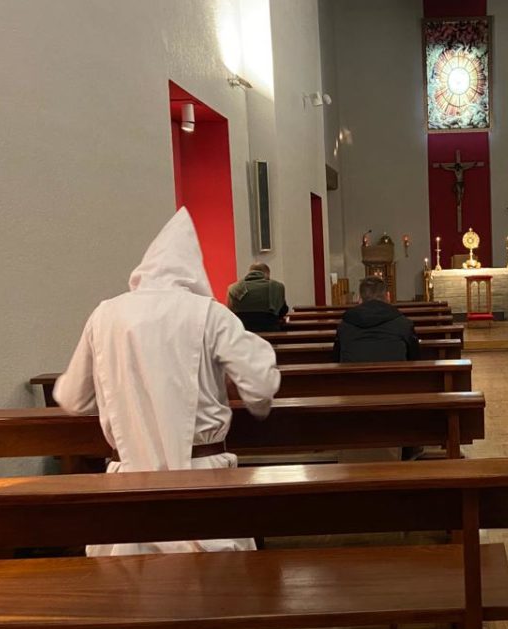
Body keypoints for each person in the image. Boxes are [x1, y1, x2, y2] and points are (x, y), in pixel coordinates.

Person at [53, 208, 281, 557]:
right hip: (202, 478)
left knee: (136, 592)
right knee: (214, 591)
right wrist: (249, 402)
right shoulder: (209, 313)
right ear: (192, 269)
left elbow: (71, 398)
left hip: (128, 482)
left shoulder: (105, 315)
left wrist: (124, 398)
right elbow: (261, 384)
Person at [333, 276, 419, 363]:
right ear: (388, 297)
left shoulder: (344, 326)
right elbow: (415, 358)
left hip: (353, 376)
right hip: (395, 376)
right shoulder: (404, 324)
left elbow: (336, 359)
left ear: (359, 299)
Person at [227, 262, 288, 332]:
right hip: (270, 332)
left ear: (249, 272)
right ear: (267, 274)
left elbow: (230, 313)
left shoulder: (233, 287)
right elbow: (283, 311)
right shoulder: (277, 286)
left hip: (243, 333)